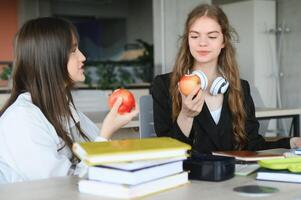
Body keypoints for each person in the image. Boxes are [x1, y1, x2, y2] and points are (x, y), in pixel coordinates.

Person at [0, 17, 138, 184]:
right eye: (73, 50)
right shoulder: (21, 119)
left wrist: (109, 132)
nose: (83, 57)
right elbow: (61, 186)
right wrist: (106, 132)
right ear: (49, 58)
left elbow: (94, 160)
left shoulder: (64, 108)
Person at [151, 4, 301, 154]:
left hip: (233, 176)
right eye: (195, 36)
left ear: (223, 41)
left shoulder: (240, 88)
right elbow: (168, 153)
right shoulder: (164, 85)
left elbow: (252, 147)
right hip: (191, 175)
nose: (202, 43)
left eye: (212, 36)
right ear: (188, 40)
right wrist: (186, 115)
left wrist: (290, 143)